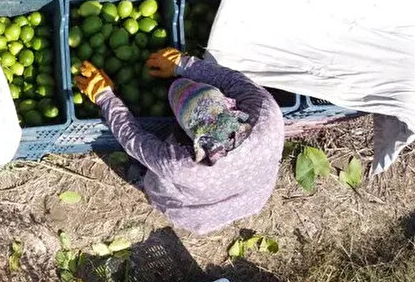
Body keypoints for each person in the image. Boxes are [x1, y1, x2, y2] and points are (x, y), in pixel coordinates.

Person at [73, 48, 284, 234]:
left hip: (201, 212)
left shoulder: (182, 166)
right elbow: (231, 80)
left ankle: (142, 180)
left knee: (158, 179)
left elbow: (134, 139)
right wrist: (182, 65)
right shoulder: (266, 113)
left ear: (191, 134)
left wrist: (105, 97)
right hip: (253, 194)